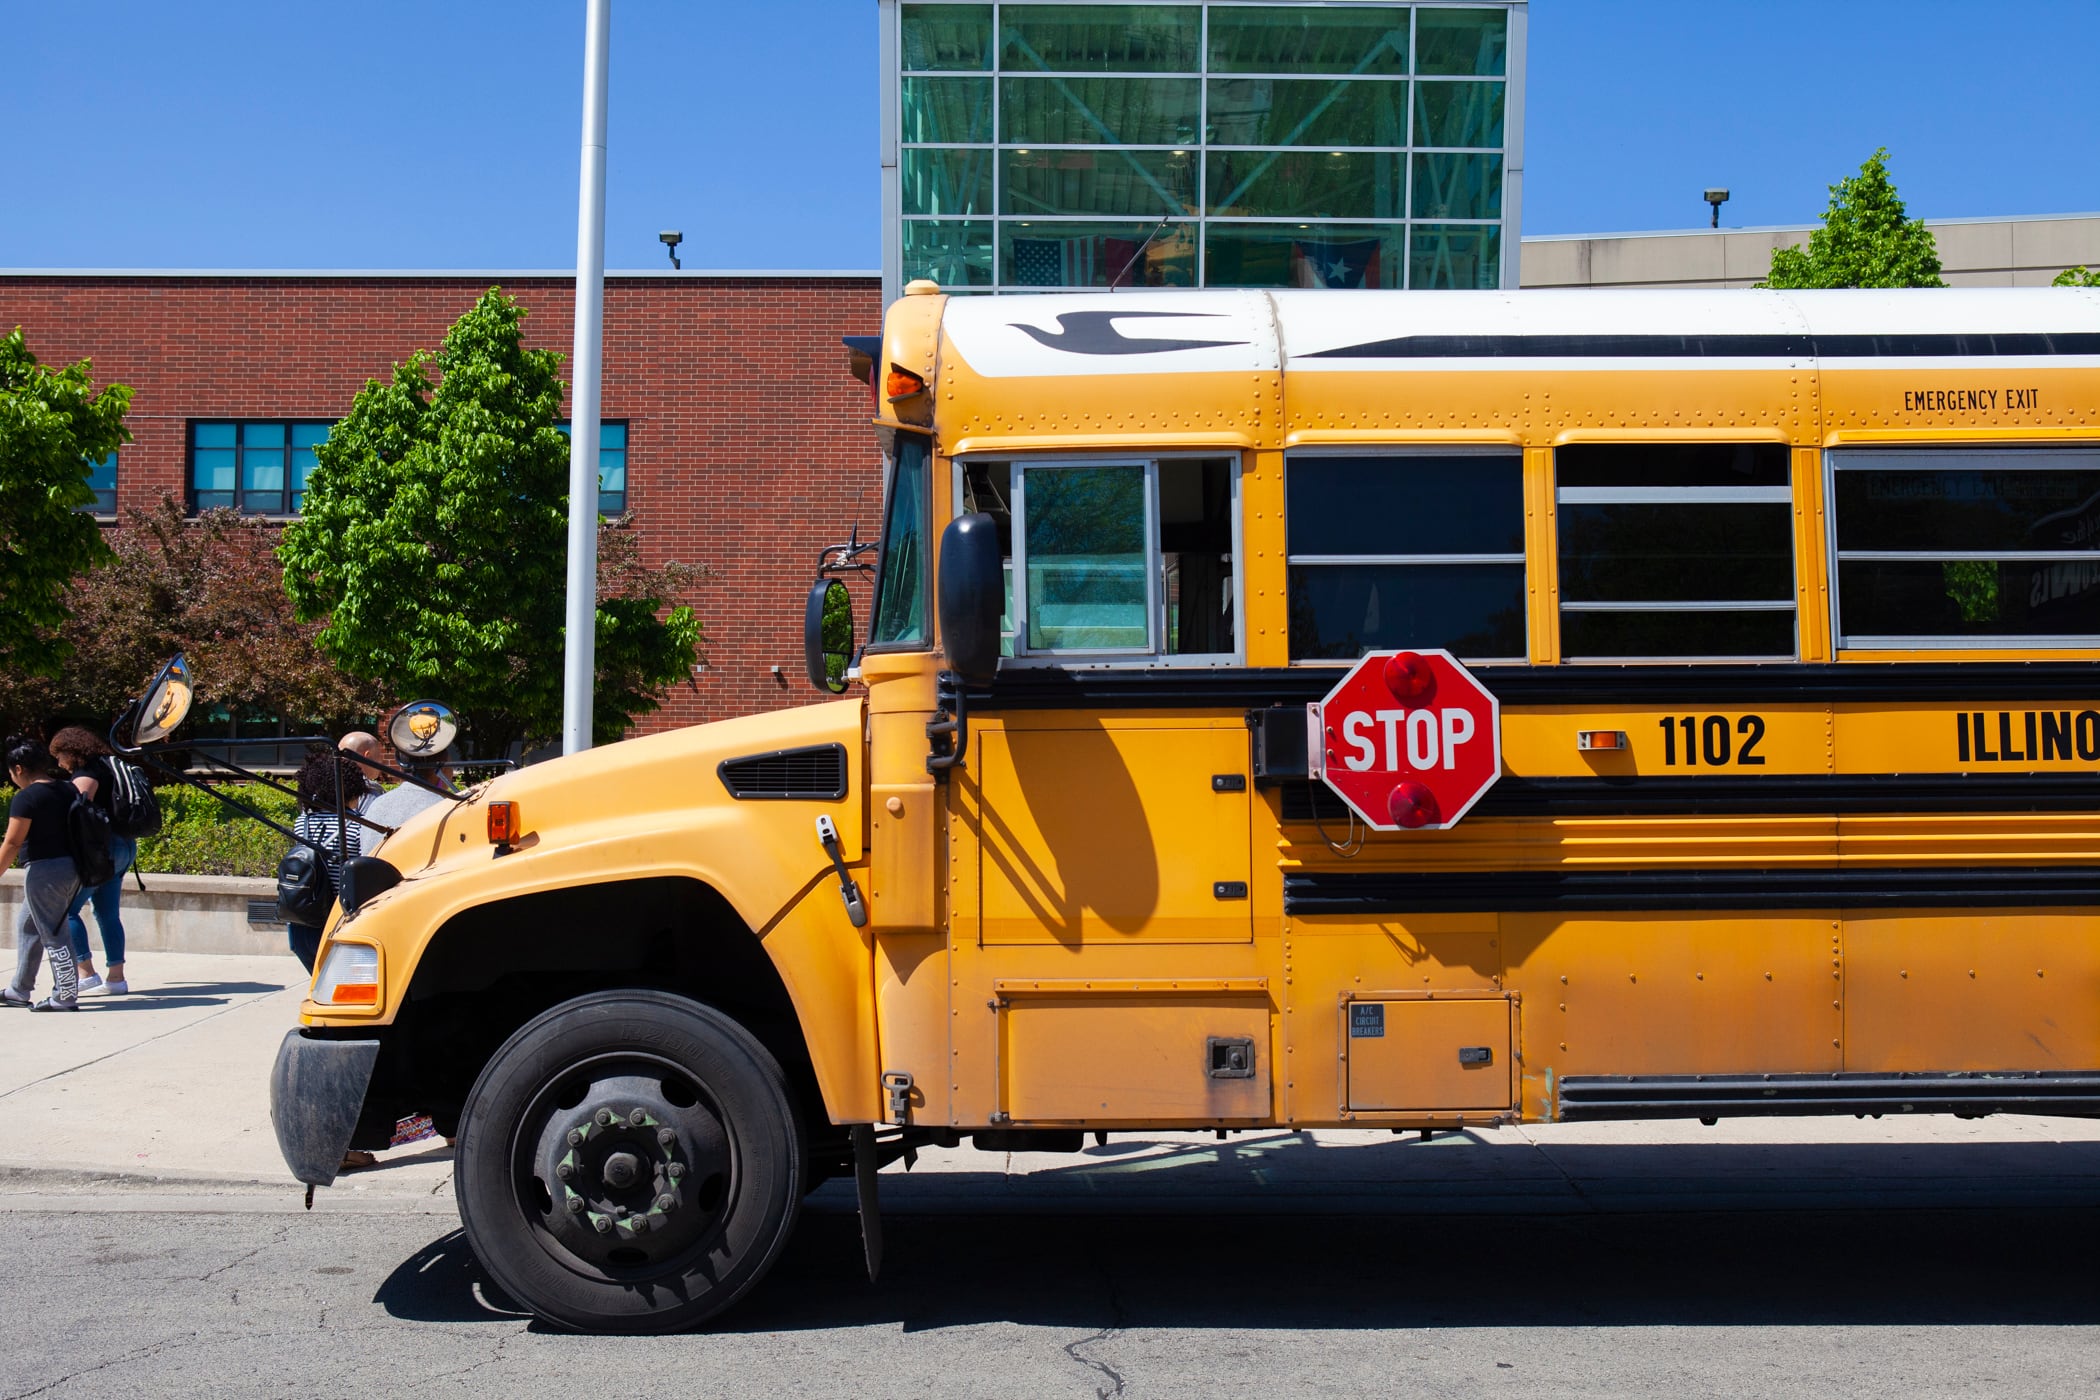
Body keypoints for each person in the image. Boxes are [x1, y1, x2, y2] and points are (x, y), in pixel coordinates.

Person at [49, 726, 134, 995]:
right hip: (124, 845)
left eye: (59, 756)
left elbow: (77, 812)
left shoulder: (86, 774)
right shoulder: (110, 765)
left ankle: (86, 972)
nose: (59, 763)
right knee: (108, 913)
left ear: (72, 752)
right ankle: (116, 979)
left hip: (101, 849)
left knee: (66, 911)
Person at [2, 737, 85, 1011]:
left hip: (45, 871)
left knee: (53, 933)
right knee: (29, 926)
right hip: (73, 868)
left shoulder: (26, 798)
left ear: (18, 769)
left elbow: (13, 842)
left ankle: (65, 996)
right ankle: (18, 989)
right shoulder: (68, 789)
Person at [287, 748, 371, 974]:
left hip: (305, 920)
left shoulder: (302, 822)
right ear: (352, 788)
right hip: (339, 918)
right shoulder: (358, 825)